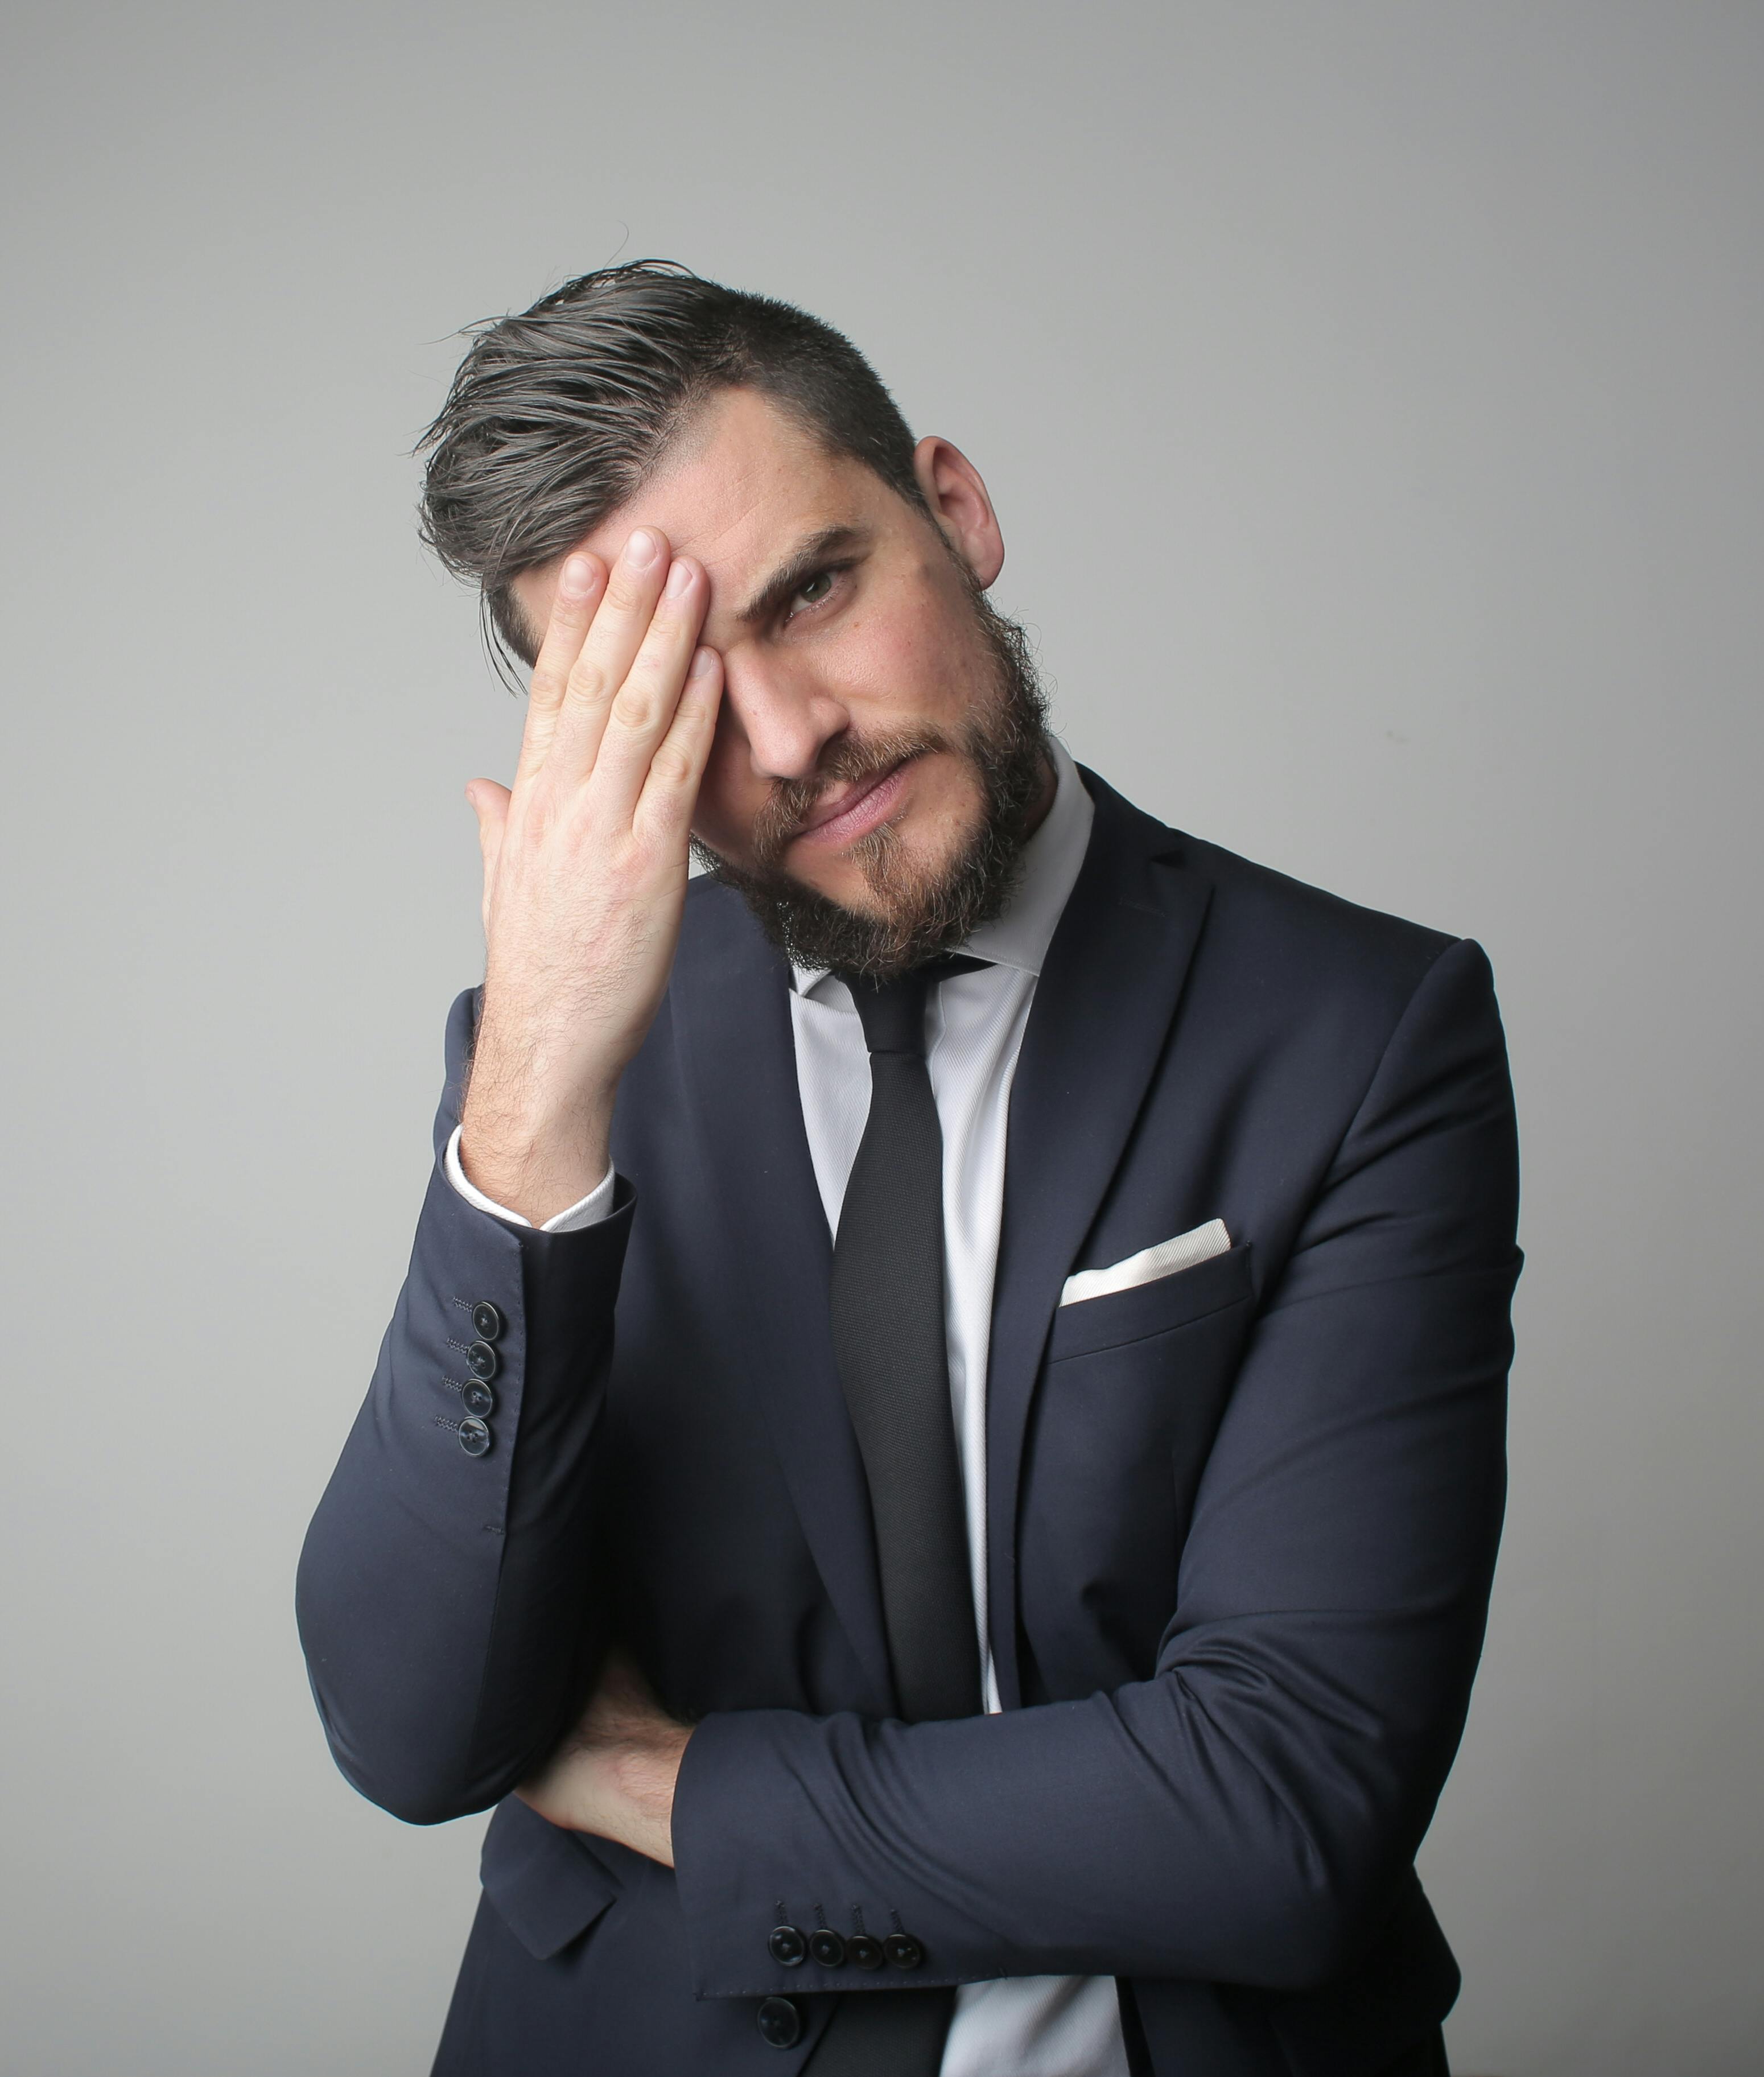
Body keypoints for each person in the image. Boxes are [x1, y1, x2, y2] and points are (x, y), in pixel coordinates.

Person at [296, 261, 1520, 2077]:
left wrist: (666, 1782)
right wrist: (536, 1106)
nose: (790, 739)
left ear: (953, 509)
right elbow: (413, 1729)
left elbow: (1277, 1808)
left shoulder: (1359, 1028)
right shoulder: (545, 1071)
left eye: (812, 590)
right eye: (667, 701)